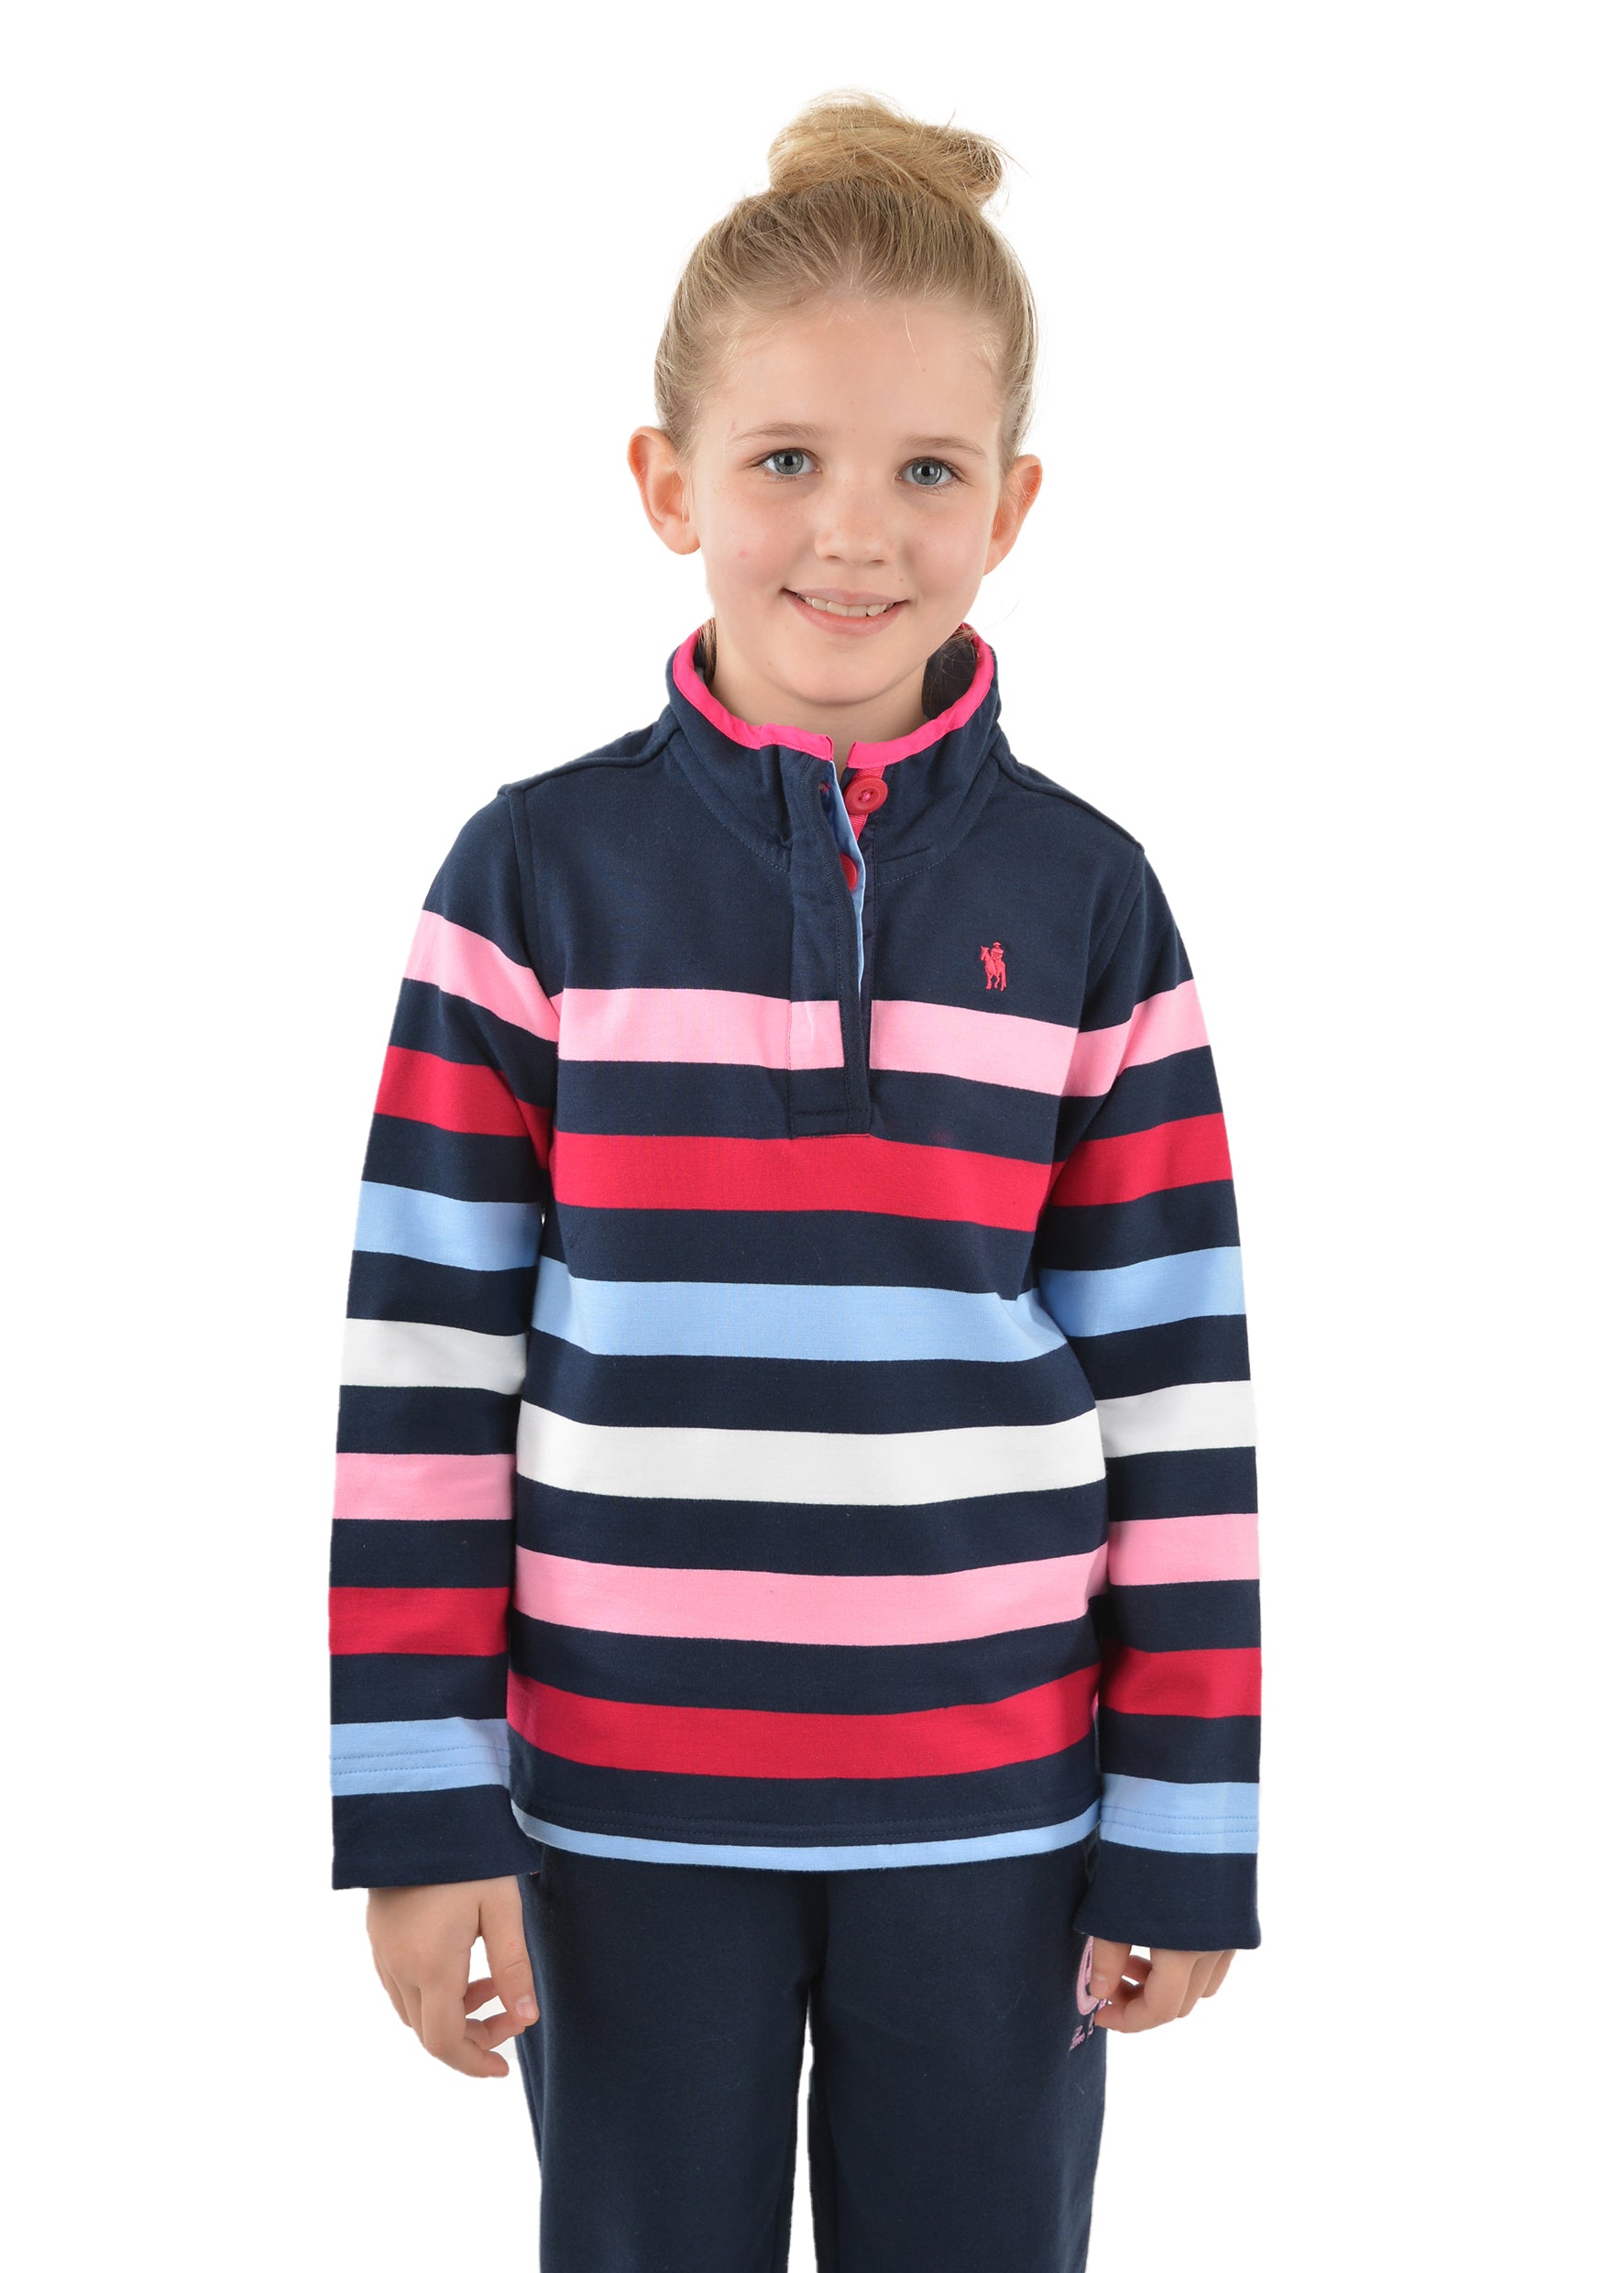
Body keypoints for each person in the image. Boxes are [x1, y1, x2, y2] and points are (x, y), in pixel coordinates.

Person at [328, 85, 1262, 2271]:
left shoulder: (1090, 897)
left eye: (927, 470)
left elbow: (1178, 1391)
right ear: (666, 483)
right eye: (783, 463)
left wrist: (1185, 1820)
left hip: (1002, 1815)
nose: (855, 534)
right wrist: (421, 1808)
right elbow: (422, 1371)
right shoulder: (529, 878)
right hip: (614, 1809)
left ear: (1011, 505)